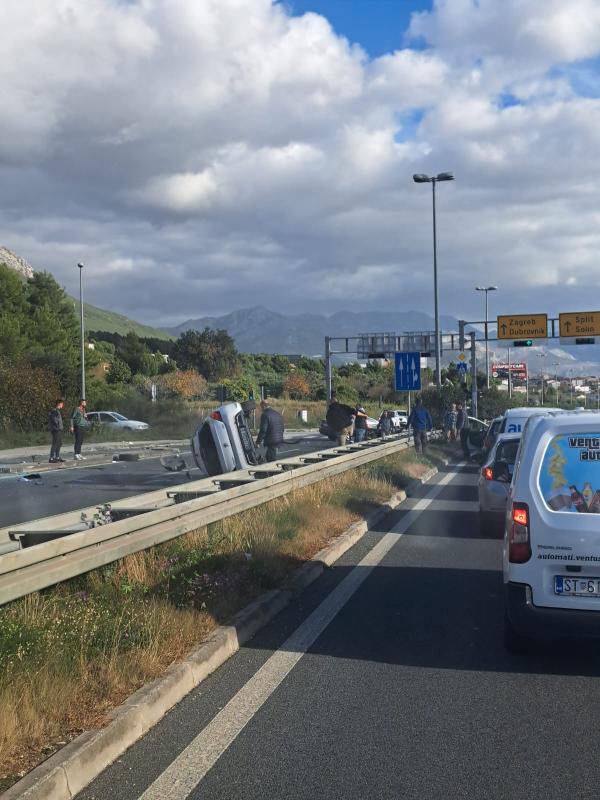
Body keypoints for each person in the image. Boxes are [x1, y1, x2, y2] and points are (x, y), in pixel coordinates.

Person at [48, 398, 65, 463]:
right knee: (55, 443)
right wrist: (58, 427)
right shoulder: (54, 411)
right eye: (62, 404)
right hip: (56, 429)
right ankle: (51, 458)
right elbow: (54, 420)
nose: (63, 405)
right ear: (59, 404)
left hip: (58, 429)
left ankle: (57, 457)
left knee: (59, 443)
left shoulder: (57, 411)